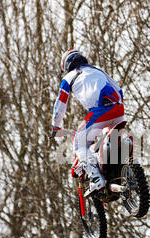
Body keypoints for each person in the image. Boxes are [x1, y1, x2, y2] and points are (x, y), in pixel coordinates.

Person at [50, 49, 125, 196]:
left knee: (79, 143)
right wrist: (118, 105)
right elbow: (119, 89)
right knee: (105, 139)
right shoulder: (97, 69)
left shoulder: (68, 78)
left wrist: (55, 125)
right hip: (118, 109)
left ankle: (96, 178)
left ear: (66, 65)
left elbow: (60, 104)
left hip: (100, 111)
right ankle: (115, 171)